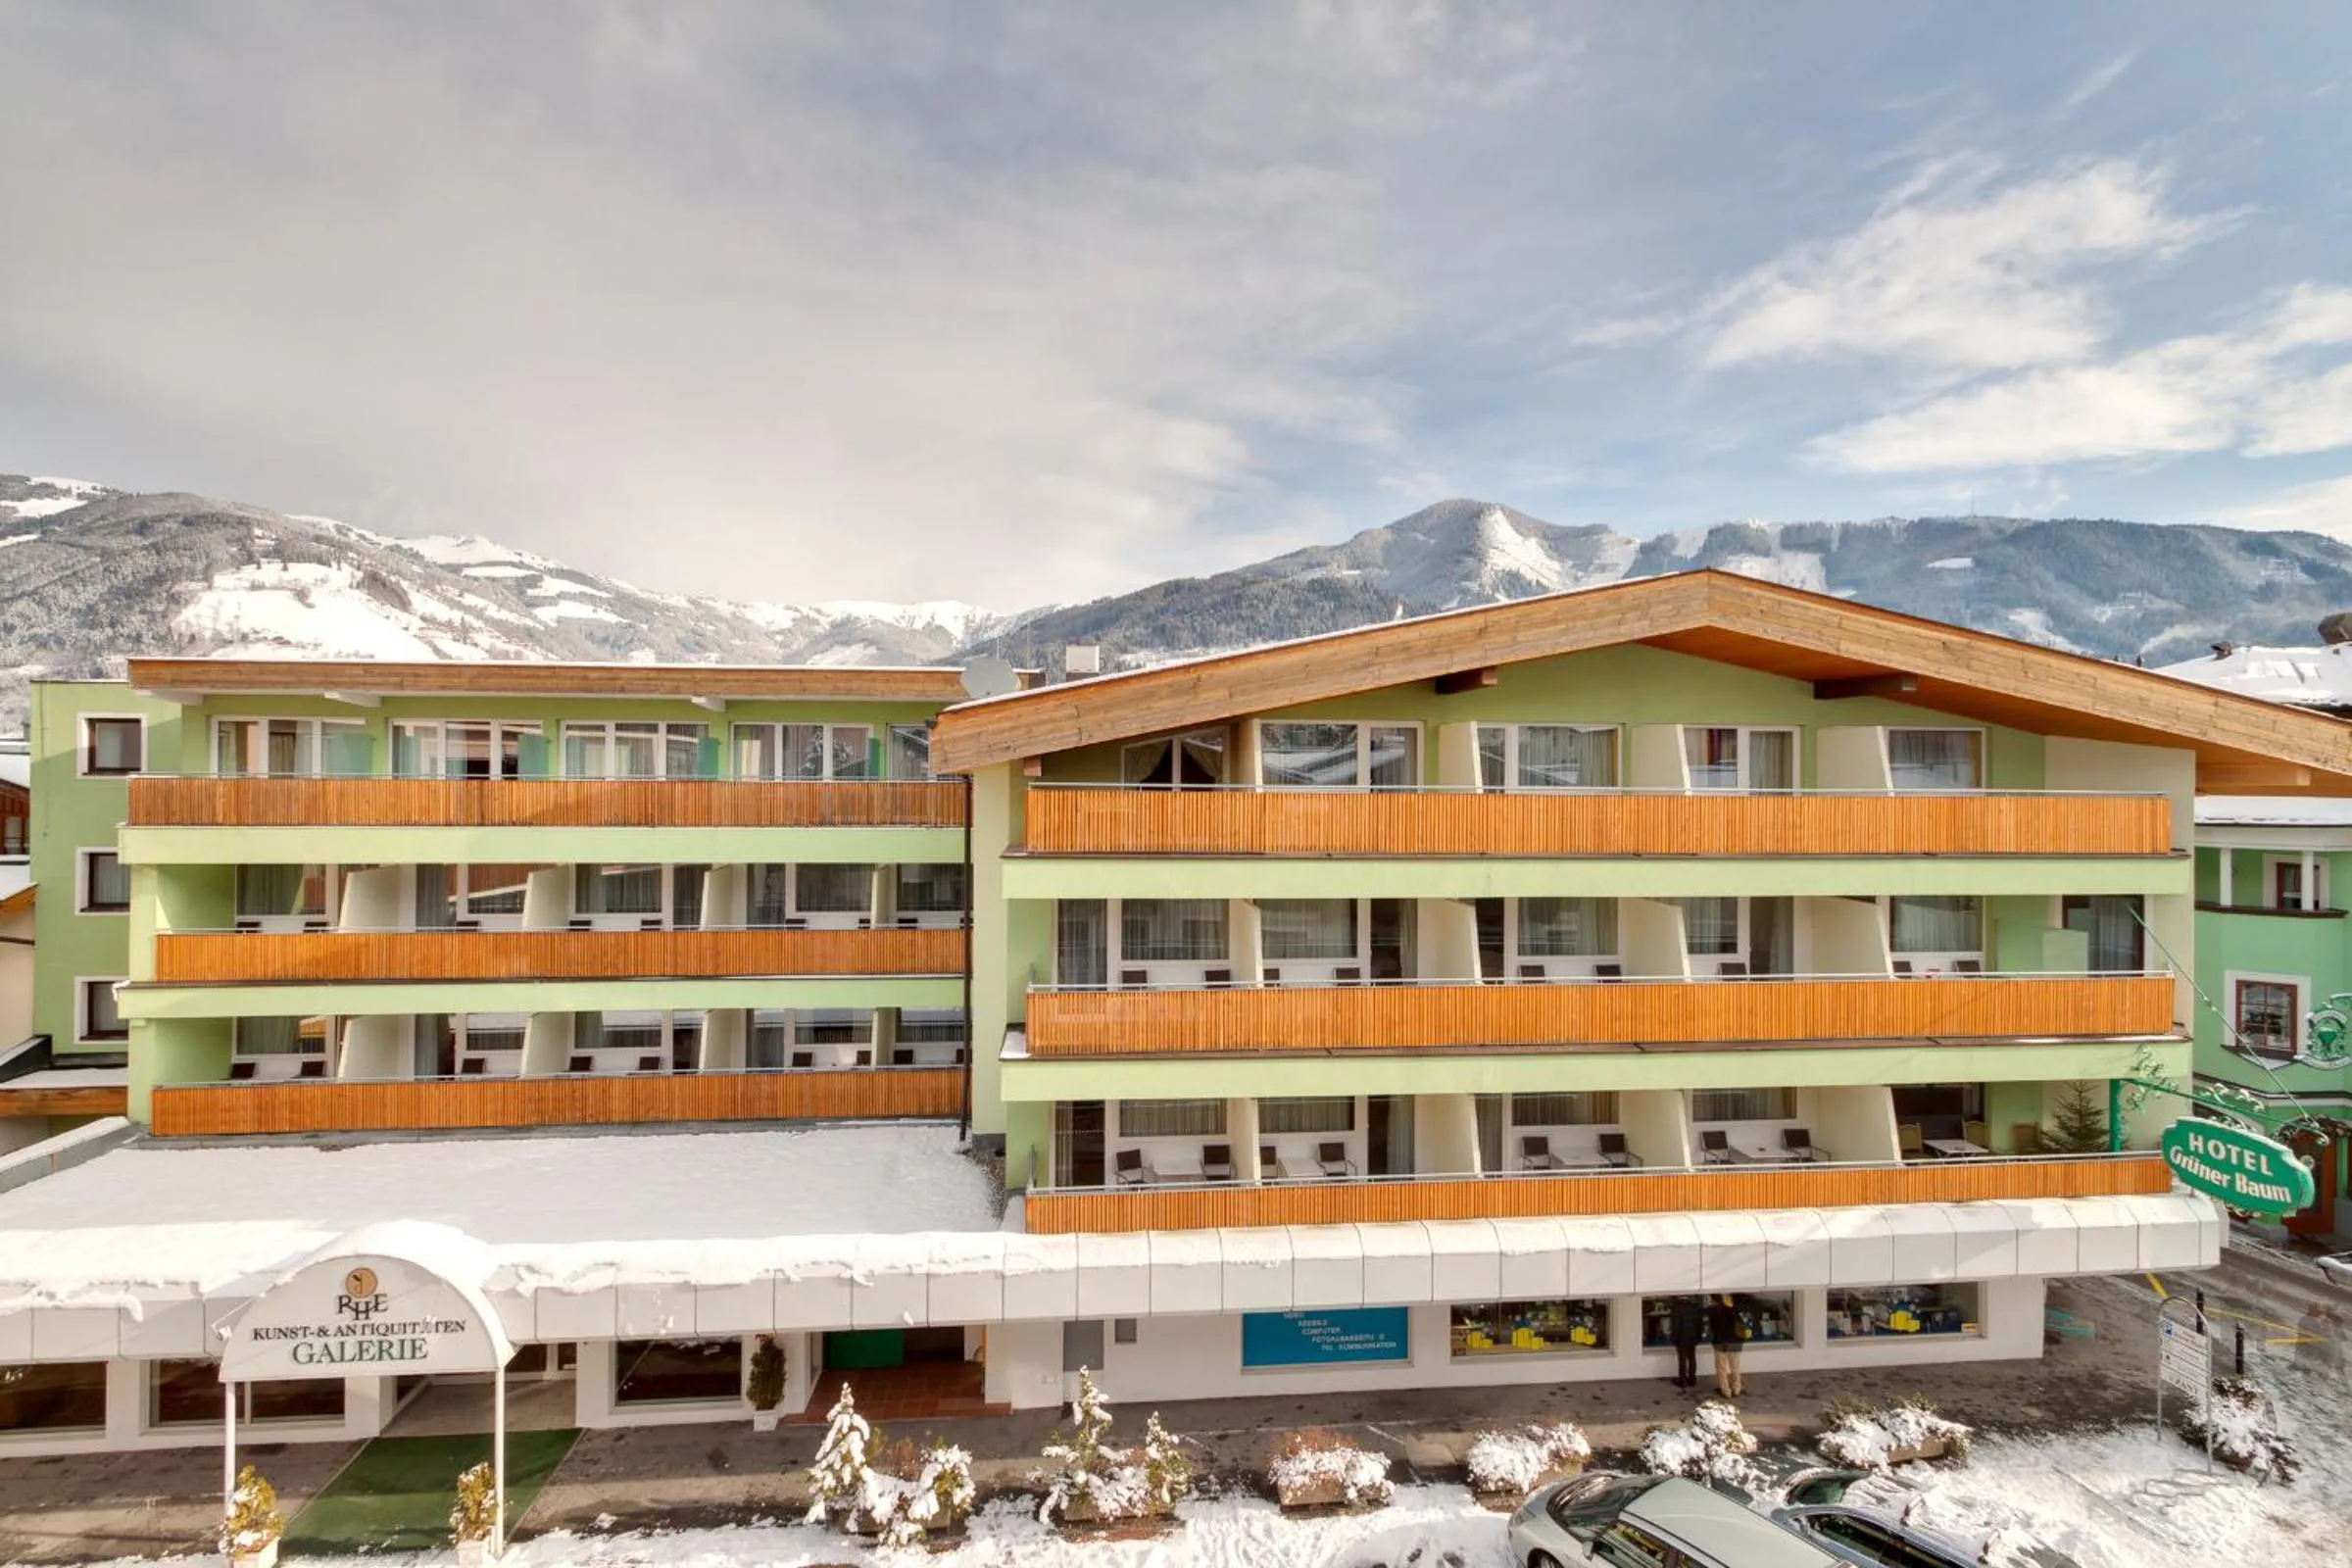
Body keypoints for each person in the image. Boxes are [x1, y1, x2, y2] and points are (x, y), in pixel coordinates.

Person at [1707, 1293, 1744, 1399]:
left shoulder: (1713, 1311)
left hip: (1721, 1342)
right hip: (1734, 1341)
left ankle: (1726, 1390)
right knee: (1735, 1366)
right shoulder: (1733, 1310)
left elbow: (1712, 1327)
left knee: (1721, 1367)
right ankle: (1736, 1389)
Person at [1668, 1294, 1705, 1391]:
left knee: (1682, 1359)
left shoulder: (1676, 1308)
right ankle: (1692, 1379)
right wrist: (1699, 1336)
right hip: (1693, 1336)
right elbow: (1700, 1323)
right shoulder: (1695, 1307)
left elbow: (1676, 1325)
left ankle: (1682, 1380)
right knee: (1692, 1357)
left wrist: (1674, 1337)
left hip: (1681, 1337)